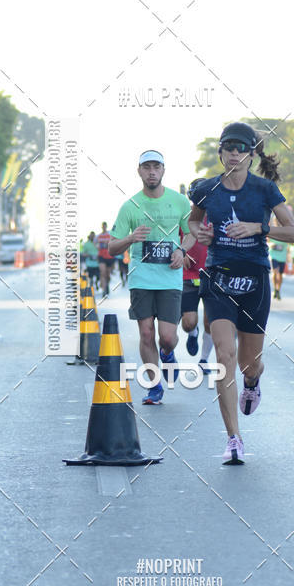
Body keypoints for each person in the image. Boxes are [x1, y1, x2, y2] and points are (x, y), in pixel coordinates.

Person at [188, 122, 294, 465]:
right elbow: (193, 221)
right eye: (228, 148)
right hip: (219, 278)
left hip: (255, 280)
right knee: (225, 357)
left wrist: (259, 228)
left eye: (241, 149)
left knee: (250, 363)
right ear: (220, 153)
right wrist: (201, 235)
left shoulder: (265, 190)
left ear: (252, 155)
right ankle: (233, 438)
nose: (234, 154)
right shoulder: (206, 189)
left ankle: (252, 382)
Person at [108, 150, 194, 405]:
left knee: (167, 337)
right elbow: (113, 247)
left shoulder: (179, 202)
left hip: (169, 278)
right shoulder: (130, 206)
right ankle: (155, 386)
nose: (152, 171)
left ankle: (168, 355)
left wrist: (182, 250)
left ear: (164, 170)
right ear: (139, 171)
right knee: (146, 334)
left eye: (156, 166)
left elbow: (191, 233)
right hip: (141, 278)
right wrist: (130, 238)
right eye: (147, 167)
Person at [181, 179, 214, 368]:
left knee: (210, 322)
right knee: (188, 323)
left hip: (211, 274)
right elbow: (173, 238)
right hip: (189, 275)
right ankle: (192, 334)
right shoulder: (185, 216)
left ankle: (204, 360)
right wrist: (180, 251)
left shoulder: (217, 215)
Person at [96, 222, 114, 297]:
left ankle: (107, 285)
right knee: (103, 273)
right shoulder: (98, 236)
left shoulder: (110, 235)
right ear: (101, 227)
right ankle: (104, 290)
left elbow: (113, 243)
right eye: (102, 226)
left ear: (106, 227)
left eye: (104, 226)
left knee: (108, 275)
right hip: (101, 256)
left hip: (110, 256)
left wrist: (108, 243)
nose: (103, 227)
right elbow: (96, 245)